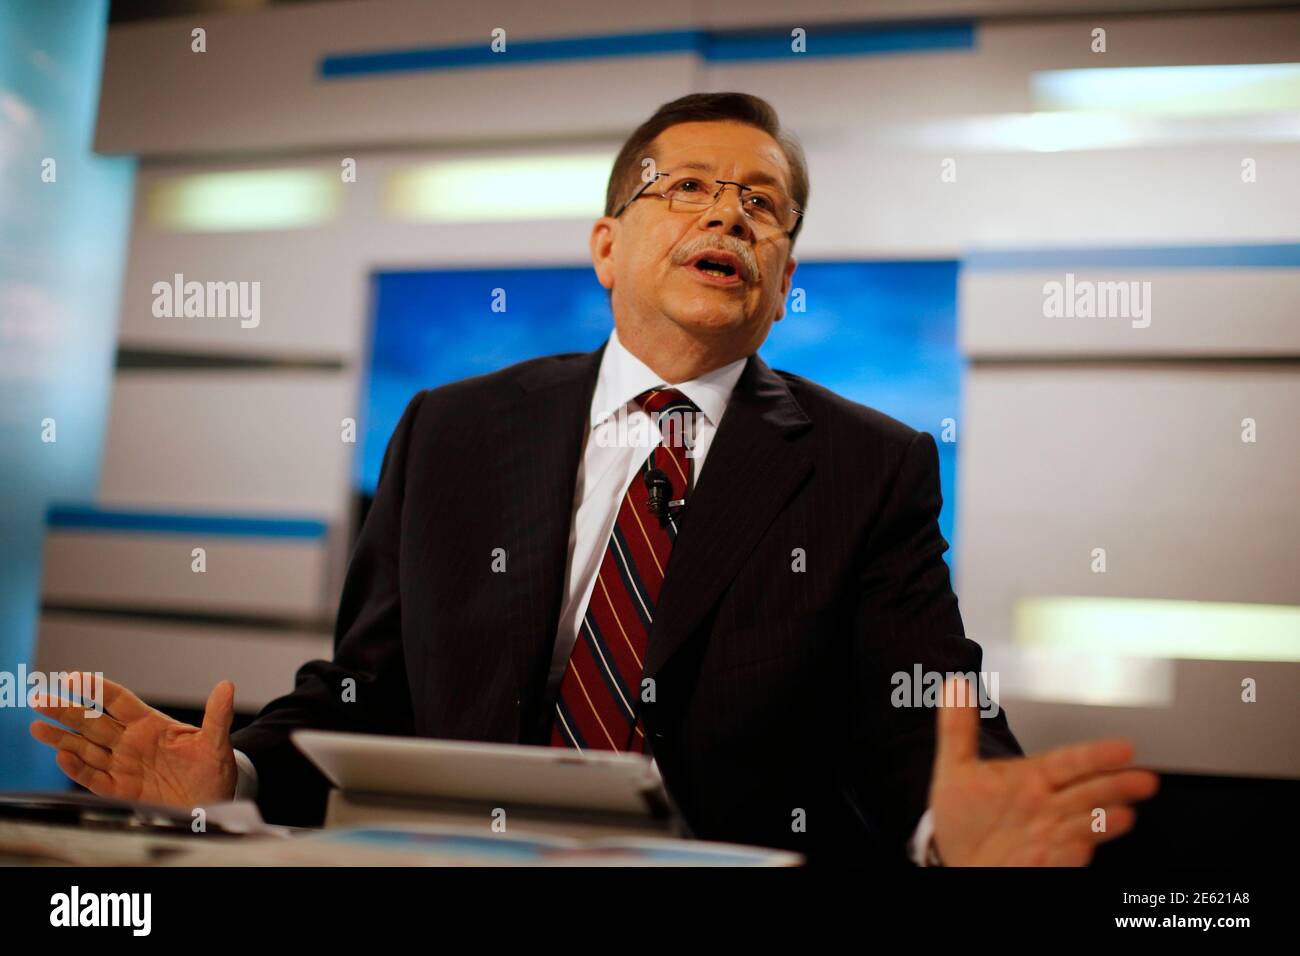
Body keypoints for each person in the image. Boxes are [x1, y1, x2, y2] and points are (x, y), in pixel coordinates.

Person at [30, 92, 1157, 866]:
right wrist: (225, 776)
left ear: (781, 283)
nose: (730, 215)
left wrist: (961, 826)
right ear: (607, 243)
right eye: (692, 189)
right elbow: (366, 689)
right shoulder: (451, 429)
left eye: (764, 207)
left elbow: (920, 706)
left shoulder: (868, 465)